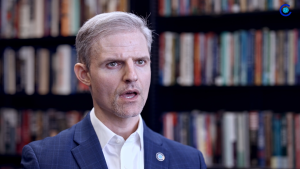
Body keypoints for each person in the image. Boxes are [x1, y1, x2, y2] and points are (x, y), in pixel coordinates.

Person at [21, 11, 206, 169]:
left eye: (140, 61)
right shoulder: (43, 160)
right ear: (84, 74)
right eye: (113, 64)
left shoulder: (190, 161)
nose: (132, 76)